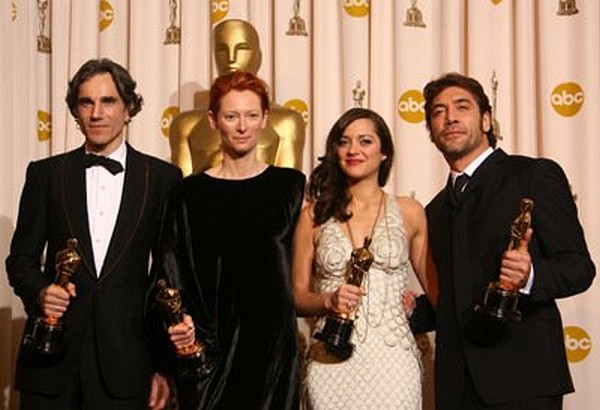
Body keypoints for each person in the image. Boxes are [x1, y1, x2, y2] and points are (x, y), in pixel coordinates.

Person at [5, 58, 182, 410]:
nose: (96, 113)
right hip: (52, 360)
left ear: (129, 108)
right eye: (86, 102)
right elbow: (20, 260)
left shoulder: (163, 179)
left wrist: (163, 366)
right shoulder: (46, 174)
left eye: (108, 101)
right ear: (75, 110)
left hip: (128, 363)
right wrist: (40, 292)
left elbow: (167, 276)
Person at [423, 72, 595, 409]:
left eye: (462, 107)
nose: (451, 117)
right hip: (455, 386)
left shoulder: (533, 175)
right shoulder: (434, 210)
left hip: (524, 380)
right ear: (431, 132)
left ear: (486, 120)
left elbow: (578, 267)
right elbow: (446, 300)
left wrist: (530, 276)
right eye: (439, 112)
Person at [153, 71, 305, 409]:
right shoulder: (186, 195)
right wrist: (179, 329)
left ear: (265, 118)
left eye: (252, 115)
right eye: (231, 116)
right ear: (213, 120)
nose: (242, 126)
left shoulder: (291, 188)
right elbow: (168, 275)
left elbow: (306, 270)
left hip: (273, 357)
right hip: (208, 355)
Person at [292, 107, 437, 409]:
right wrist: (328, 300)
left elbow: (439, 292)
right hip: (330, 358)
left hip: (393, 361)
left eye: (365, 141)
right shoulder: (314, 215)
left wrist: (413, 307)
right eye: (344, 142)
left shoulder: (410, 211)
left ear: (384, 152)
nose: (353, 150)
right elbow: (296, 296)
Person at [169, 18, 306, 176]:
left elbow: (287, 190)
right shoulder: (186, 124)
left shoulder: (287, 122)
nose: (231, 58)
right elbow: (182, 190)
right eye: (222, 49)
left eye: (242, 48)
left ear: (258, 56)